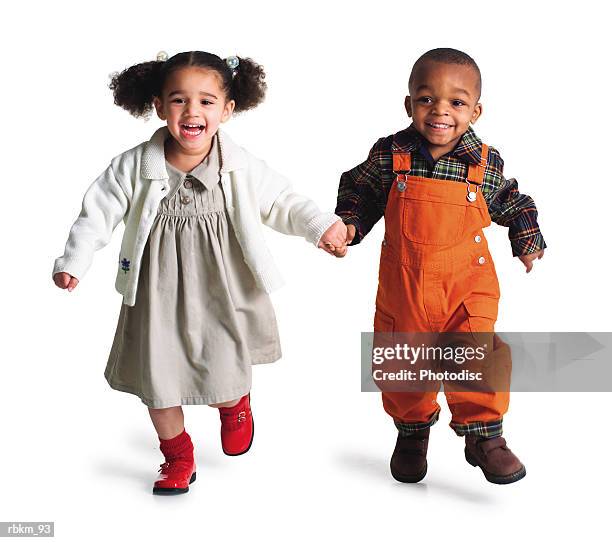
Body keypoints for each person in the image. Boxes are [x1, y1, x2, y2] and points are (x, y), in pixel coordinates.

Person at [52, 50, 347, 495]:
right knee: (157, 380)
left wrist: (319, 226)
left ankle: (234, 406)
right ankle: (177, 455)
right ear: (157, 106)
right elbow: (98, 212)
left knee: (223, 369)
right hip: (156, 292)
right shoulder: (135, 165)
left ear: (227, 110)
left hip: (221, 288)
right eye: (178, 100)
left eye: (207, 101)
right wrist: (75, 259)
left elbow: (281, 201)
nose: (192, 111)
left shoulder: (240, 164)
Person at [335, 48, 545, 485]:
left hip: (466, 287)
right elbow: (360, 188)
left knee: (475, 355)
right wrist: (350, 224)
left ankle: (484, 436)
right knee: (402, 363)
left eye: (457, 102)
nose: (440, 112)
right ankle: (412, 432)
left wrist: (526, 238)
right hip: (403, 288)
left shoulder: (482, 163)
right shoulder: (390, 154)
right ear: (409, 103)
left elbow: (514, 202)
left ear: (476, 110)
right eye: (427, 99)